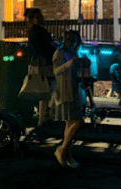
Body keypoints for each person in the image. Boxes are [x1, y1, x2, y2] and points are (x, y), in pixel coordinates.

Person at [51, 30, 88, 168]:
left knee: (69, 124)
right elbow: (56, 71)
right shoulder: (59, 53)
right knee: (78, 122)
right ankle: (61, 150)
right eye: (70, 39)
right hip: (64, 91)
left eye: (74, 40)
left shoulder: (73, 53)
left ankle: (67, 154)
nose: (72, 42)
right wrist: (71, 63)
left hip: (73, 91)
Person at [25, 8, 55, 127]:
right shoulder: (37, 32)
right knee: (47, 89)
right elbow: (43, 49)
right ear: (31, 20)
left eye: (41, 16)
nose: (41, 18)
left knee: (44, 90)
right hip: (45, 64)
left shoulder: (34, 31)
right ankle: (46, 116)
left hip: (43, 64)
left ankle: (43, 117)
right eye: (38, 17)